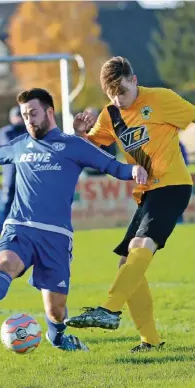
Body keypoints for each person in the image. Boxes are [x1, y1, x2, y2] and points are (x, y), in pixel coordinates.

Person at [0, 88, 147, 352]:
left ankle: (58, 337)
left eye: (33, 113)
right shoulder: (19, 145)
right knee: (5, 263)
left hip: (56, 235)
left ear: (50, 112)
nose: (29, 120)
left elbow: (112, 166)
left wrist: (134, 169)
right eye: (25, 115)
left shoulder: (73, 145)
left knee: (57, 311)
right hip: (20, 226)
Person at [64, 56, 194, 352]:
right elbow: (91, 151)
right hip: (146, 194)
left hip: (173, 185)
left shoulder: (161, 99)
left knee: (141, 245)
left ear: (134, 81)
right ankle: (150, 340)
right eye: (112, 95)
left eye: (122, 91)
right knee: (127, 263)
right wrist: (80, 134)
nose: (119, 100)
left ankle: (109, 308)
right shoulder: (111, 115)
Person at [0, 106, 27, 220]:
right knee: (9, 203)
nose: (20, 119)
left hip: (27, 174)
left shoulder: (30, 130)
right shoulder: (7, 131)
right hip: (11, 174)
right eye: (17, 116)